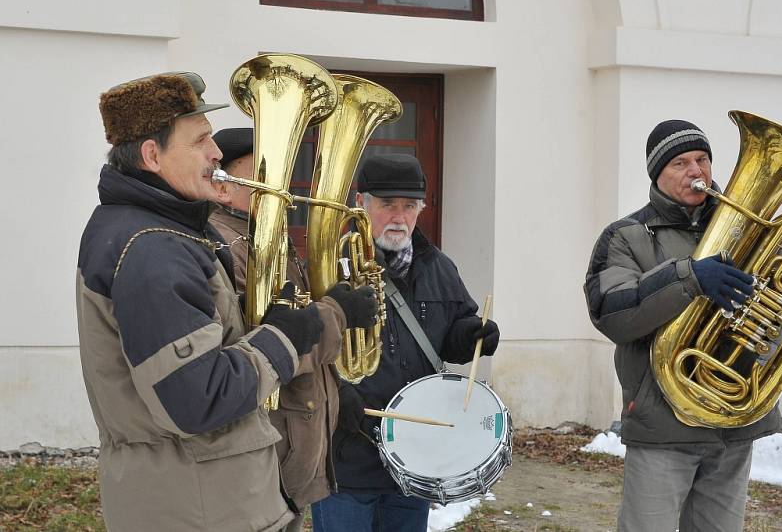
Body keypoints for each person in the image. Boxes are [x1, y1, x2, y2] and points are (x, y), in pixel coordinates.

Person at [77, 72, 331, 532]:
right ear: (153, 156)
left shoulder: (163, 232)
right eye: (200, 141)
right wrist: (283, 339)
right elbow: (197, 399)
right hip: (199, 507)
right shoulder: (152, 248)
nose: (216, 154)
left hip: (208, 498)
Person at [583, 120, 782, 532]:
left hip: (732, 424)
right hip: (664, 426)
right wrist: (688, 278)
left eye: (702, 160)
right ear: (656, 173)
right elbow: (611, 311)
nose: (696, 171)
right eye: (680, 162)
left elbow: (780, 306)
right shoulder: (626, 236)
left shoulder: (752, 230)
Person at [311, 154, 501, 532]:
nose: (399, 217)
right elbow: (303, 347)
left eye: (409, 206)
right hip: (346, 454)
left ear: (421, 209)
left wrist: (473, 335)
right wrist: (333, 394)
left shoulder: (439, 267)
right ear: (361, 204)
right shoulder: (328, 265)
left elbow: (451, 337)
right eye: (387, 205)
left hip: (415, 460)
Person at [208, 127, 379, 532]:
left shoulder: (266, 242)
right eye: (264, 179)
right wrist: (337, 312)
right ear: (222, 187)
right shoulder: (228, 249)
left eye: (283, 178)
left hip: (287, 445)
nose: (281, 191)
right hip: (268, 446)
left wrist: (335, 385)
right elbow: (265, 341)